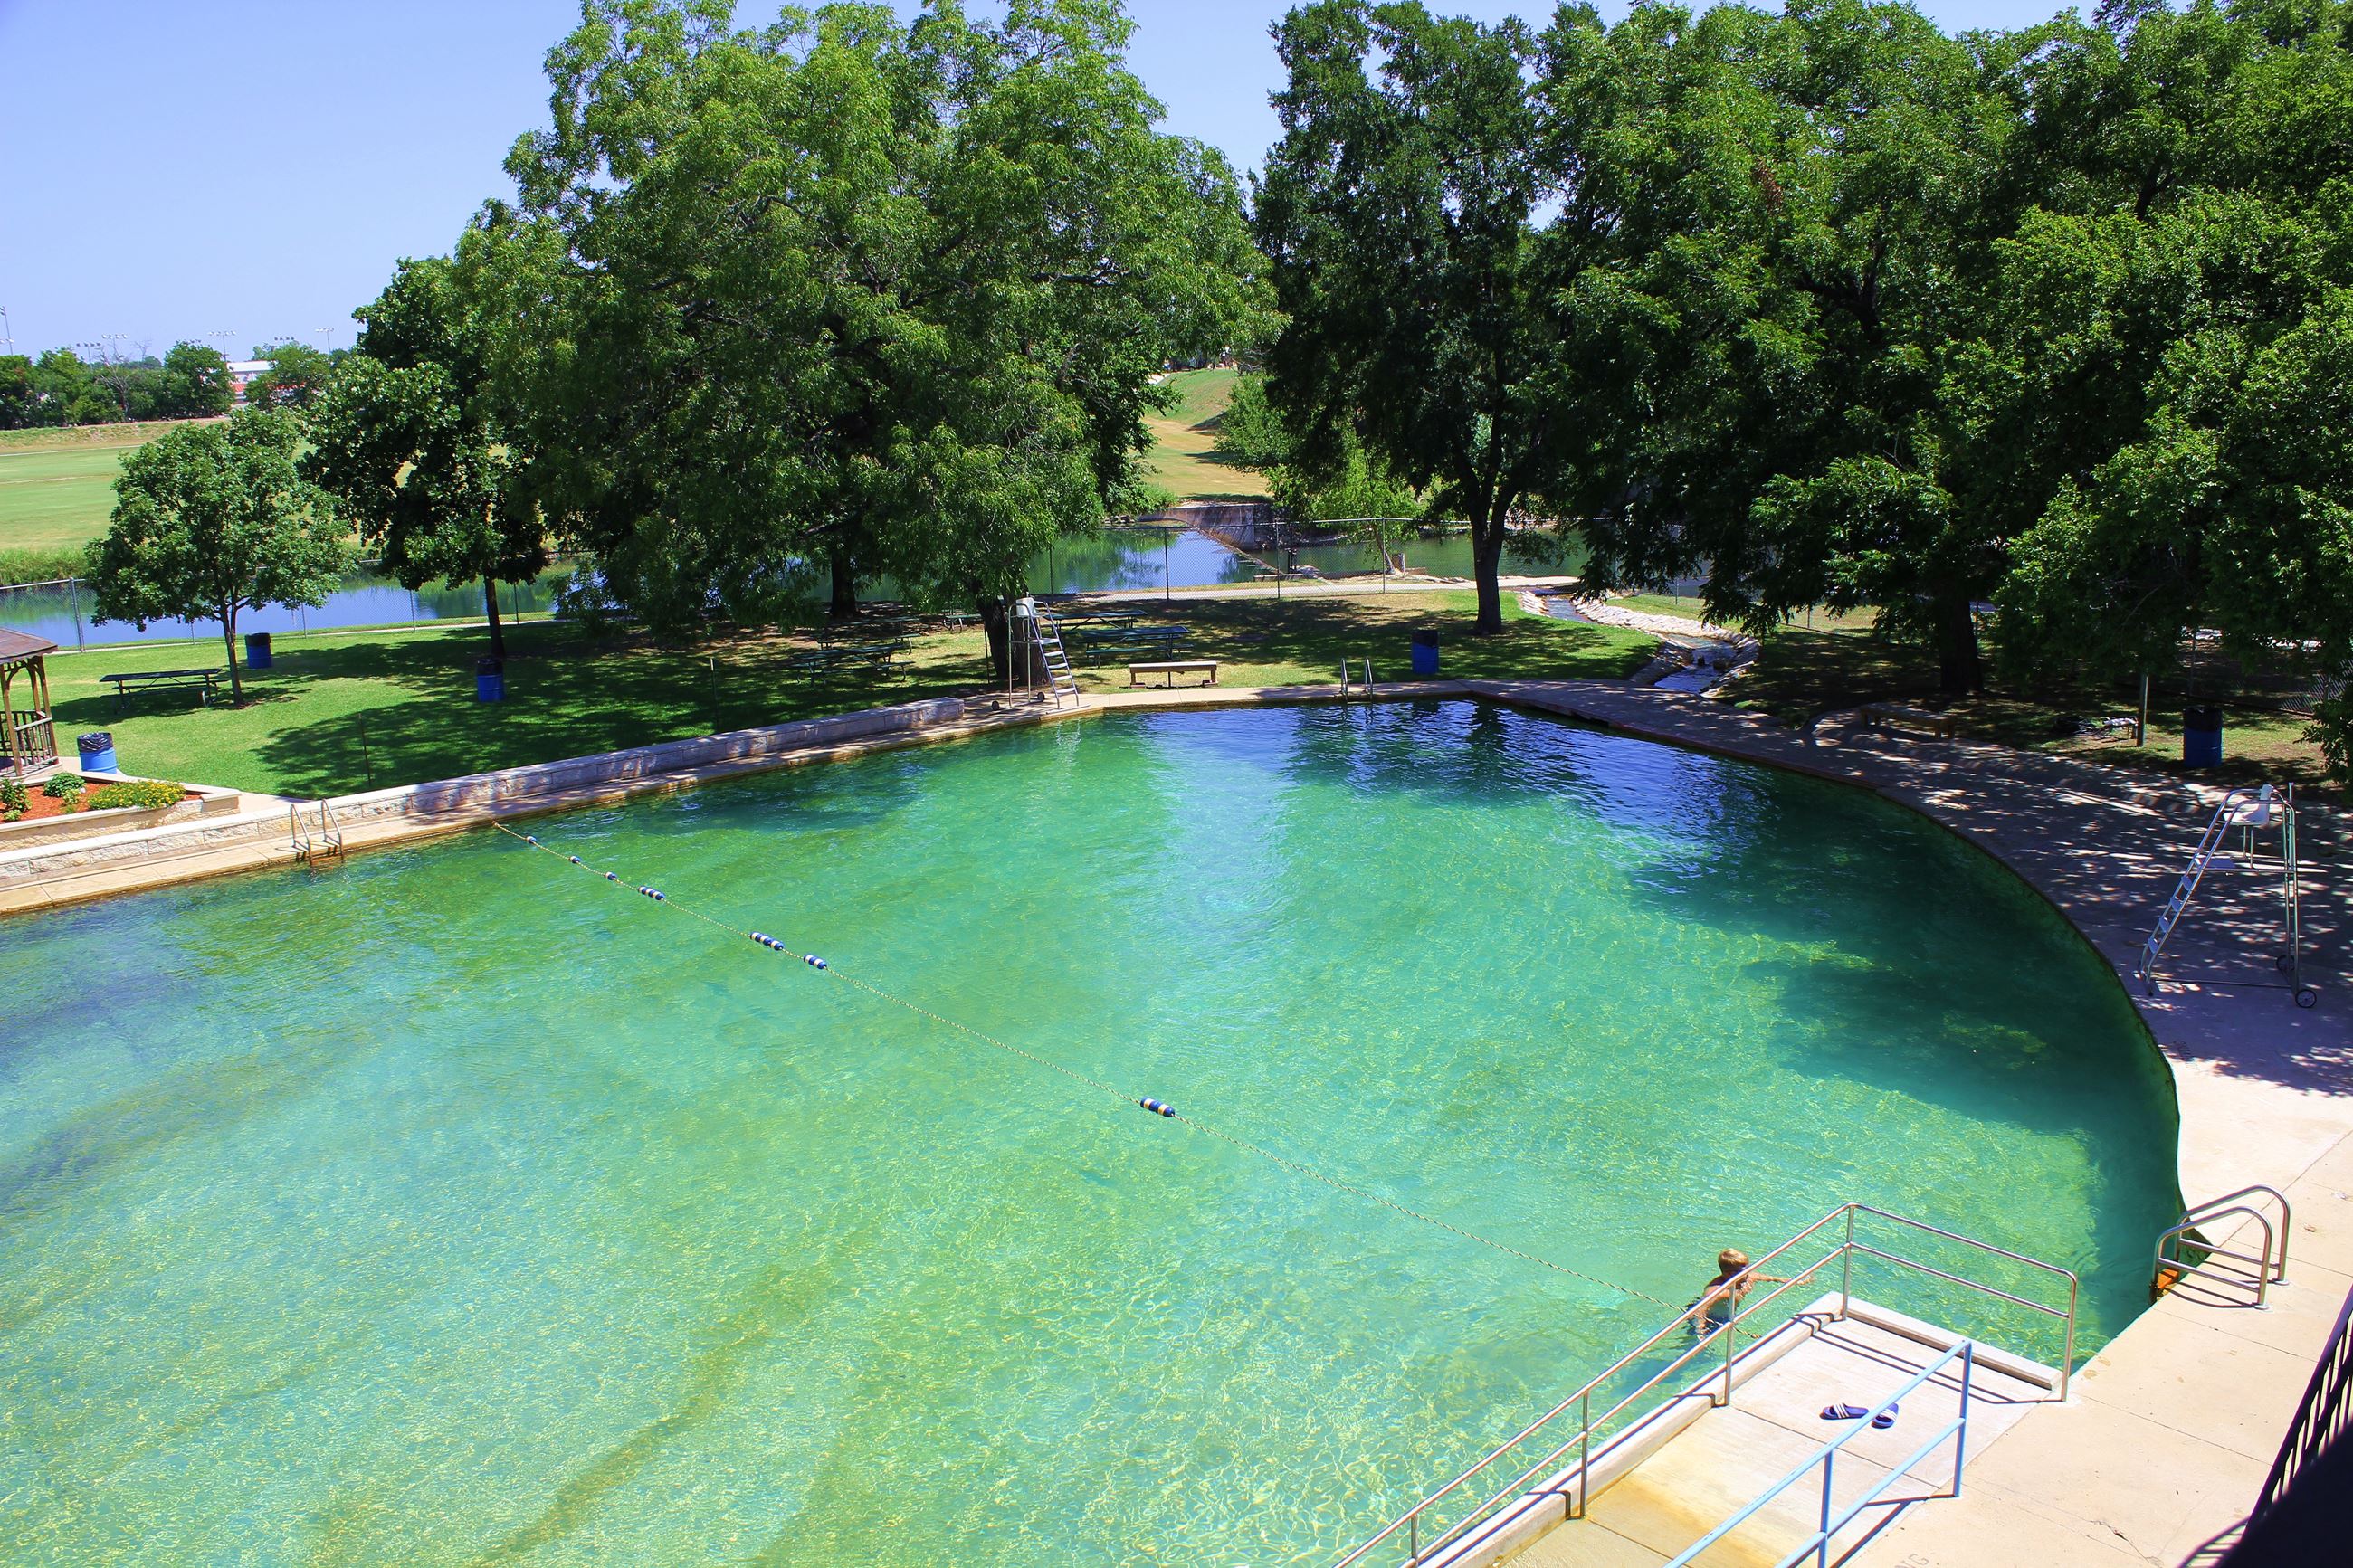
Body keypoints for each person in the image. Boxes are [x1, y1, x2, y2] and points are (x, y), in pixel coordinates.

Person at [1692, 1247, 1792, 1335]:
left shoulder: (1749, 1277)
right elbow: (1700, 1311)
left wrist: (1793, 1281)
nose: (1749, 1272)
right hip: (1710, 1318)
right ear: (1730, 1274)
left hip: (1725, 1315)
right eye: (1745, 1271)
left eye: (1749, 1268)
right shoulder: (1718, 1290)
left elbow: (1771, 1278)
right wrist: (1700, 1330)